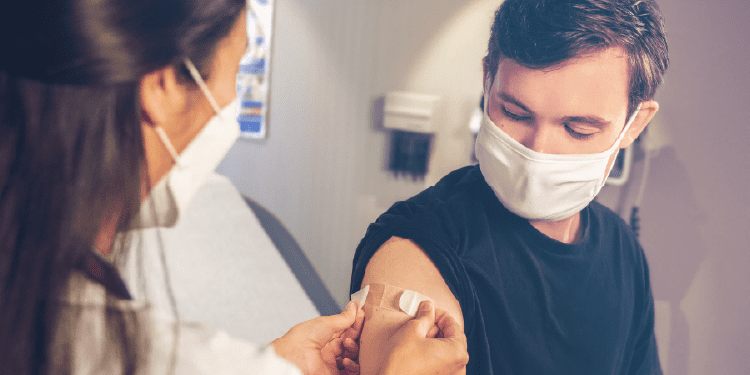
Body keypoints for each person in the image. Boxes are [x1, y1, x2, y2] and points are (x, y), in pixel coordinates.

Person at [0, 0, 469, 374]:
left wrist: (273, 363)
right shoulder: (140, 352)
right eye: (241, 67)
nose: (231, 99)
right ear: (162, 85)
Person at [350, 0, 669, 373]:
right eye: (515, 113)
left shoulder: (624, 253)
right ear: (488, 80)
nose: (537, 151)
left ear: (634, 124)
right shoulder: (418, 246)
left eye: (577, 129)